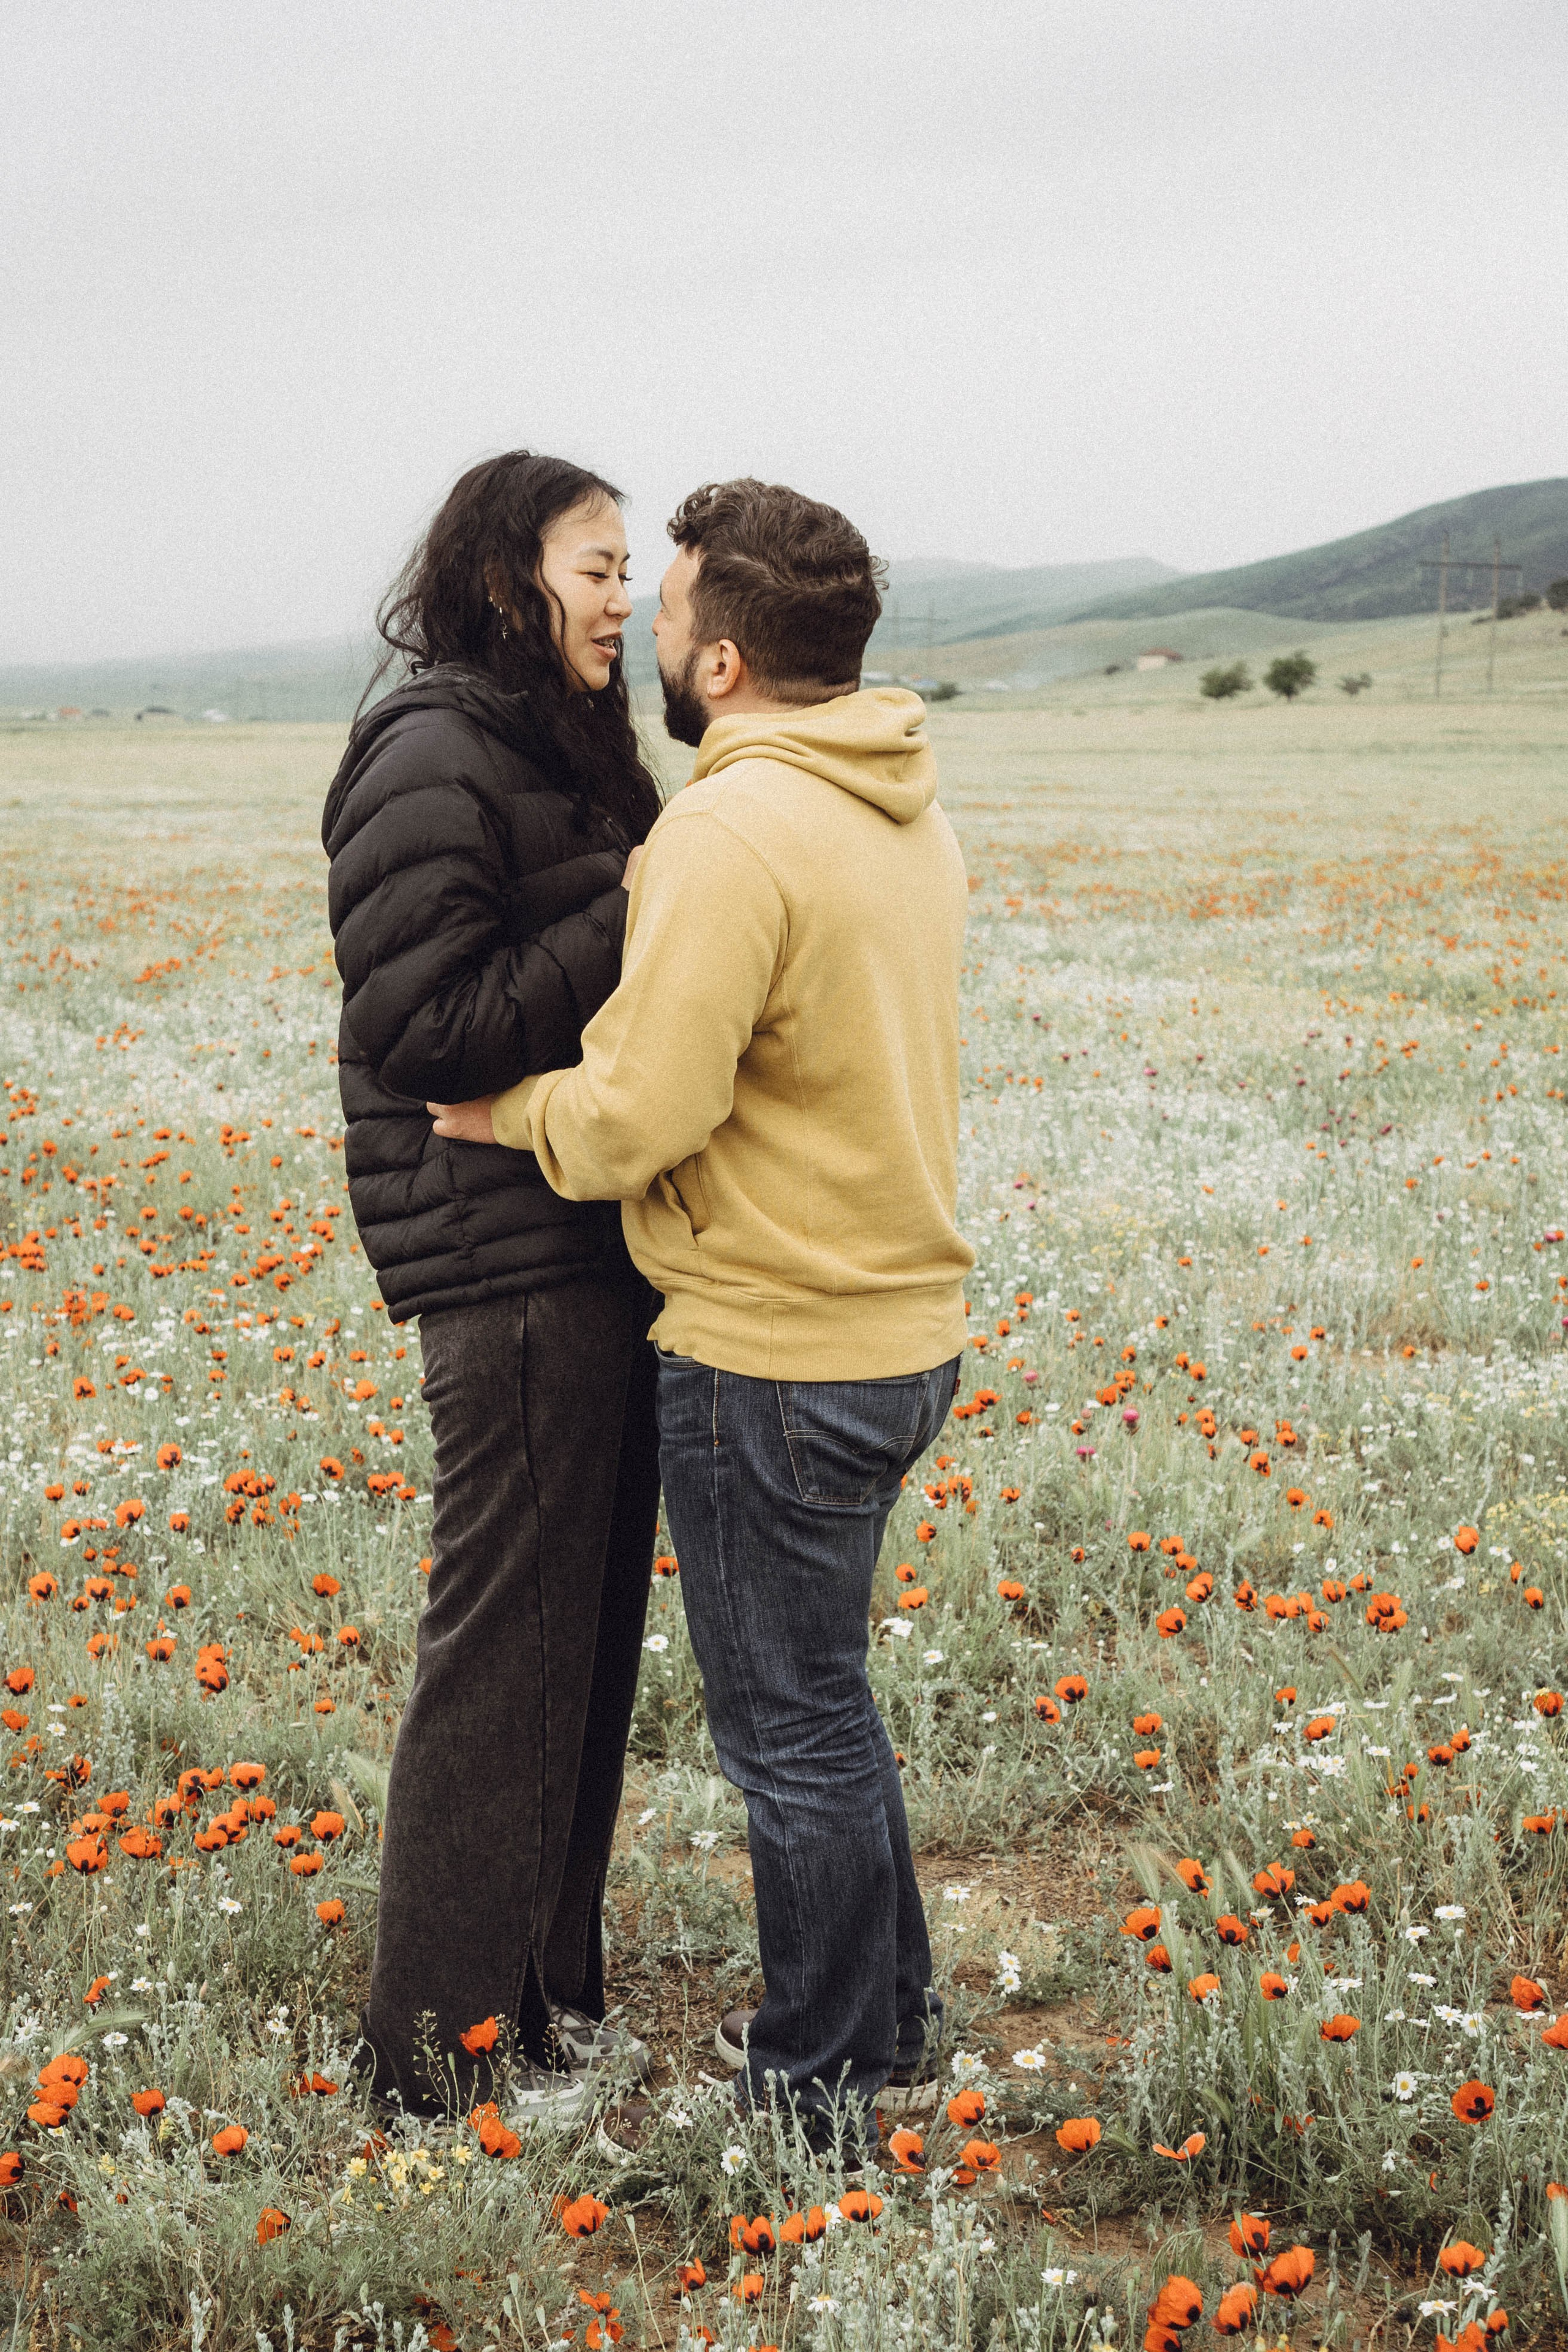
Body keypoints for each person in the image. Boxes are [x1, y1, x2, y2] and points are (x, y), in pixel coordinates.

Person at [431, 477, 975, 2153]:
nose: (642, 634)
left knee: (788, 1729)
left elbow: (636, 1116)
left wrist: (503, 1111)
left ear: (723, 661)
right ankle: (893, 2030)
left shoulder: (732, 830)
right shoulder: (896, 795)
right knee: (830, 1698)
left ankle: (814, 2087)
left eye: (662, 612)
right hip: (900, 1323)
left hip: (773, 1344)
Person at [322, 450, 665, 2123]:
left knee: (584, 1648)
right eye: (597, 565)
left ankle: (545, 2009)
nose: (629, 597)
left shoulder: (554, 746)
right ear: (504, 576)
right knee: (505, 1656)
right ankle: (432, 2064)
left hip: (593, 1236)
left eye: (630, 568)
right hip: (506, 1250)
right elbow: (430, 1026)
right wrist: (634, 901)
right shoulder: (432, 746)